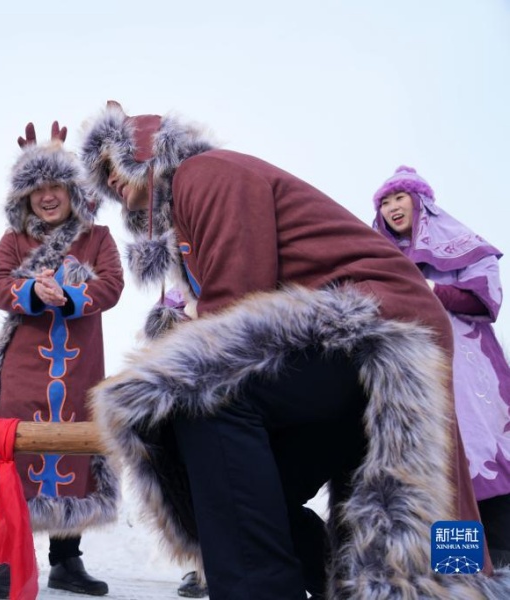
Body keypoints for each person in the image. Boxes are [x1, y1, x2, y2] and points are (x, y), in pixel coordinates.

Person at [81, 102, 510, 599]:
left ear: (144, 152)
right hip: (338, 341)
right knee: (222, 482)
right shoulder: (184, 224)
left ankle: (262, 590)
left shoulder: (206, 172)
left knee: (207, 404)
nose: (111, 180)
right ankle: (342, 577)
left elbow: (238, 300)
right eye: (102, 176)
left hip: (375, 326)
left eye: (115, 163)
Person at [0, 122, 124, 599]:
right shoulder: (13, 240)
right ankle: (1, 564)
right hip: (23, 370)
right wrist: (31, 292)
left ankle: (66, 562)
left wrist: (73, 294)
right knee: (12, 453)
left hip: (80, 368)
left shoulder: (98, 238)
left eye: (55, 186)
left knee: (74, 454)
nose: (46, 197)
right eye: (36, 188)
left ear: (71, 190)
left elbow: (112, 286)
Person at [373, 165, 510, 566]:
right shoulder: (378, 257)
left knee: (483, 457)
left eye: (399, 197)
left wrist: (429, 288)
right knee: (437, 466)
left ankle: (500, 562)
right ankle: (457, 569)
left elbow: (485, 299)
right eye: (384, 201)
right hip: (412, 373)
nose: (392, 207)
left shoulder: (462, 245)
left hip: (470, 373)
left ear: (420, 203)